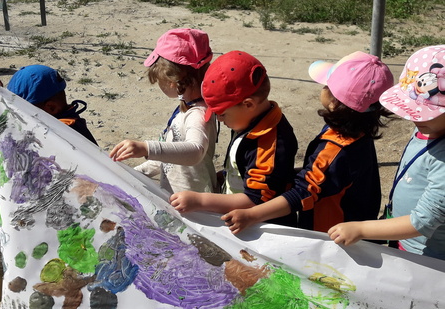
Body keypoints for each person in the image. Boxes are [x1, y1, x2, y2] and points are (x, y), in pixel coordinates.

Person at [222, 51, 395, 234]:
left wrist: (251, 215)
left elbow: (303, 193)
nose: (322, 88)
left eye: (326, 85)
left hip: (330, 237)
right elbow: (330, 177)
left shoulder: (335, 149)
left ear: (335, 103)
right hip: (355, 222)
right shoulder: (359, 132)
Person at [329, 45, 445, 260]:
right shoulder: (429, 127)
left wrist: (362, 229)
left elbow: (423, 220)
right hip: (404, 240)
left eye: (427, 112)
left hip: (428, 257)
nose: (416, 117)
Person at [169, 50, 298, 227]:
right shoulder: (246, 120)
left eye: (221, 114)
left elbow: (256, 201)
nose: (219, 120)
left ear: (248, 104)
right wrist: (225, 176)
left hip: (261, 229)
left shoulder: (269, 145)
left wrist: (201, 200)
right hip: (238, 215)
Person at [110, 28, 217, 194]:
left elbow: (195, 151)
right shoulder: (186, 108)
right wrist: (136, 173)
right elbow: (170, 153)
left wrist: (147, 148)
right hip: (177, 198)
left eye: (159, 81)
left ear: (172, 80)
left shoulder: (197, 114)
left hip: (194, 205)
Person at [7, 64, 97, 145]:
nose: (20, 115)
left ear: (51, 107)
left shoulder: (67, 134)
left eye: (25, 110)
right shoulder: (65, 119)